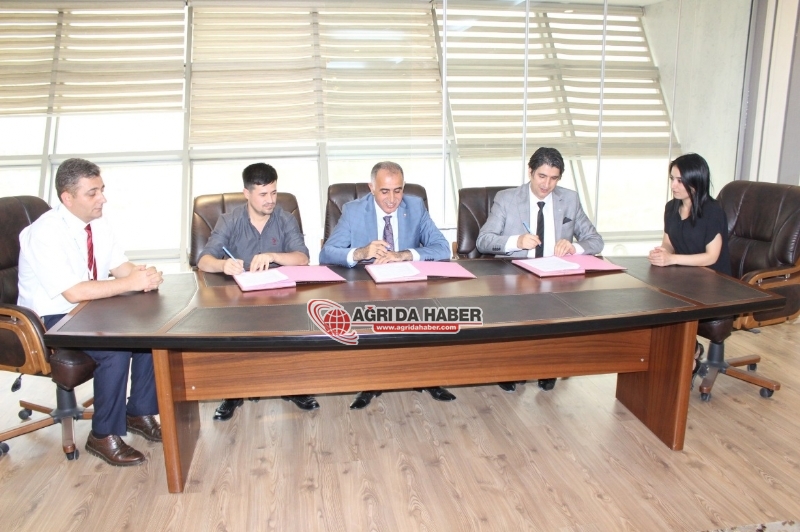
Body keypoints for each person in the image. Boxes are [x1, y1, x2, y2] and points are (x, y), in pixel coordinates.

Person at [18, 158, 164, 466]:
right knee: (114, 348)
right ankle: (102, 435)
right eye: (93, 193)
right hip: (50, 320)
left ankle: (138, 412)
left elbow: (118, 265)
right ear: (68, 198)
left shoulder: (97, 223)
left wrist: (142, 275)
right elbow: (73, 292)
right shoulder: (44, 233)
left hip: (88, 309)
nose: (103, 199)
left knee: (150, 333)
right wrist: (130, 283)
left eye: (102, 189)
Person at [319, 161, 455, 409]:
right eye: (384, 191)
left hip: (408, 285)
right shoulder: (353, 211)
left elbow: (443, 248)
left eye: (398, 190)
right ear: (371, 188)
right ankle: (371, 381)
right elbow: (326, 253)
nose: (392, 200)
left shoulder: (415, 206)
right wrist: (361, 252)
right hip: (367, 287)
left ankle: (426, 377)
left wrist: (404, 255)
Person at [476, 146, 604, 392]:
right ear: (530, 172)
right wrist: (516, 241)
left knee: (565, 306)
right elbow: (483, 240)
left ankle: (548, 365)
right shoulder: (507, 199)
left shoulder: (569, 199)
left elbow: (596, 241)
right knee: (518, 310)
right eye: (541, 176)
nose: (546, 185)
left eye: (554, 178)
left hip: (554, 277)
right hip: (515, 275)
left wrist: (574, 247)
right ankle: (511, 368)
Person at [197, 162, 317, 419]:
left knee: (297, 319)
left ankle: (293, 386)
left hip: (280, 296)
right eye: (263, 194)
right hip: (241, 297)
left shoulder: (284, 219)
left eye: (273, 192)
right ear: (246, 193)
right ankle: (233, 391)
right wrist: (223, 265)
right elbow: (204, 260)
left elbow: (302, 258)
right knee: (232, 326)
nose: (270, 200)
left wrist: (273, 255)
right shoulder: (229, 220)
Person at [648, 153, 731, 374]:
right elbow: (668, 242)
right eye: (672, 179)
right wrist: (662, 253)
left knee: (669, 307)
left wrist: (672, 259)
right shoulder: (671, 207)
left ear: (696, 181)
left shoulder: (713, 211)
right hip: (685, 279)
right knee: (651, 298)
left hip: (713, 284)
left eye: (679, 180)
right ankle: (688, 351)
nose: (673, 185)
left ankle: (688, 358)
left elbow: (711, 257)